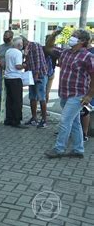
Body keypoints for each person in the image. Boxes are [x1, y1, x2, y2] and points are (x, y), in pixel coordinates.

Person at [45, 30, 94, 159]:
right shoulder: (65, 52)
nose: (71, 38)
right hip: (64, 93)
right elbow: (49, 47)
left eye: (75, 36)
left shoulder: (88, 56)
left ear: (82, 41)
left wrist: (89, 95)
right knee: (75, 122)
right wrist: (53, 35)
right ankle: (78, 149)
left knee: (65, 121)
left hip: (78, 95)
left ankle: (59, 149)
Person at [22, 36, 49, 128]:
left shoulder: (35, 46)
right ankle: (34, 118)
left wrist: (36, 75)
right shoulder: (26, 48)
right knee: (32, 96)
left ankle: (44, 120)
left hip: (39, 75)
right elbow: (27, 61)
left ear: (24, 42)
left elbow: (38, 60)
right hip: (31, 75)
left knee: (41, 97)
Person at [3, 37, 27, 129]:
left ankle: (8, 118)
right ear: (19, 45)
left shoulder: (8, 51)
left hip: (8, 77)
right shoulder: (18, 53)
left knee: (9, 99)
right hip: (15, 78)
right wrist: (24, 65)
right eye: (21, 44)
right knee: (17, 100)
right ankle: (16, 120)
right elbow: (18, 66)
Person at [0, 30, 14, 120]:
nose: (5, 37)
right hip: (1, 74)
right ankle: (1, 114)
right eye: (4, 35)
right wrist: (0, 64)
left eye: (7, 36)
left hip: (12, 74)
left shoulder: (14, 47)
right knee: (1, 94)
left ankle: (10, 115)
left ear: (11, 37)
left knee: (11, 94)